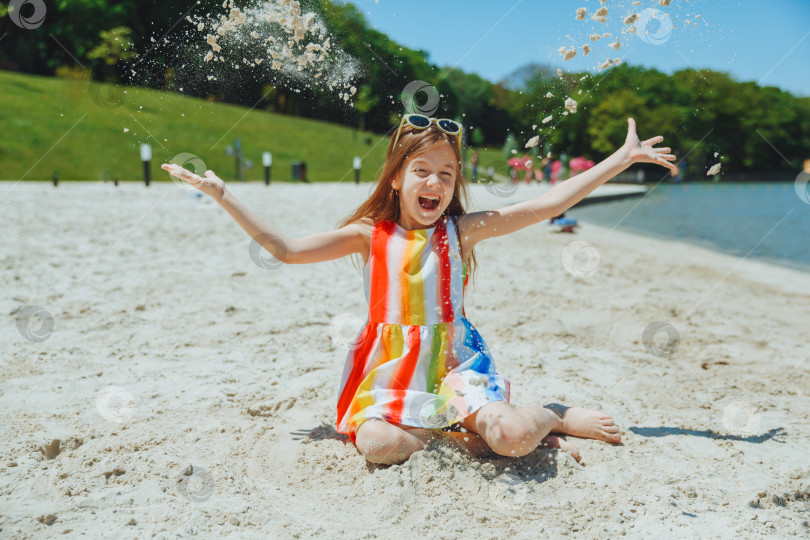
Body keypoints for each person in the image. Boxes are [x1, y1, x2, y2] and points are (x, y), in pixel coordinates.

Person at [161, 116, 675, 466]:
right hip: (391, 376)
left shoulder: (462, 231)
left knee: (515, 438)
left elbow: (546, 204)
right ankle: (467, 434)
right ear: (396, 179)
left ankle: (554, 415)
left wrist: (620, 160)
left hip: (454, 369)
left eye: (447, 175)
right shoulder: (368, 235)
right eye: (421, 170)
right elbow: (287, 250)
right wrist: (224, 196)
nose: (435, 183)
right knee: (380, 446)